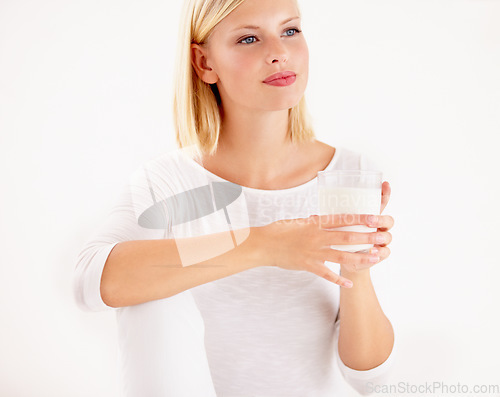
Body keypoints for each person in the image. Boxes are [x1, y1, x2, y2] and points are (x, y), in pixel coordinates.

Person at [73, 0, 397, 395]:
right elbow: (91, 281)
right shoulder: (167, 181)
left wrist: (356, 268)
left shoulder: (348, 175)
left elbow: (369, 377)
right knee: (148, 292)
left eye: (290, 30)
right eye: (248, 38)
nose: (278, 52)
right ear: (204, 63)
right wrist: (262, 244)